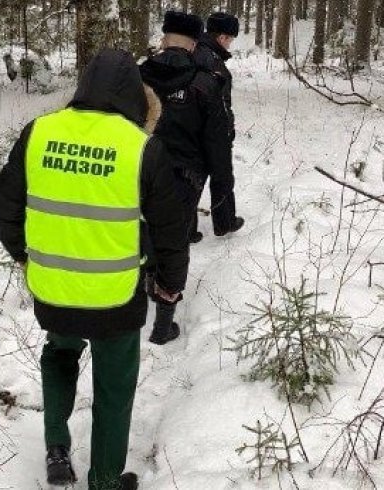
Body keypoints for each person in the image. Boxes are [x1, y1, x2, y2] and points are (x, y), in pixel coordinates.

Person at [0, 48, 189, 490]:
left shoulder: (39, 132)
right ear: (134, 96)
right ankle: (103, 481)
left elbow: (2, 207)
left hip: (54, 291)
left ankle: (57, 447)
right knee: (114, 390)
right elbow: (172, 229)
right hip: (115, 299)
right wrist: (171, 284)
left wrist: (25, 256)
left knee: (59, 354)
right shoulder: (141, 148)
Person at [138, 11, 231, 345]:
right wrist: (222, 186)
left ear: (164, 39)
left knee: (143, 226)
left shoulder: (137, 77)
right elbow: (218, 140)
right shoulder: (206, 83)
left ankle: (146, 283)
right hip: (184, 176)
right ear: (194, 44)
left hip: (138, 169)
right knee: (175, 240)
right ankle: (163, 323)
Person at [194, 11, 244, 238]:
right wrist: (226, 128)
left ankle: (186, 228)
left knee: (193, 176)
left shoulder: (198, 52)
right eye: (230, 38)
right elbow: (219, 100)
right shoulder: (211, 60)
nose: (230, 43)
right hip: (212, 127)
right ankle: (225, 222)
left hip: (195, 126)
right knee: (222, 174)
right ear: (222, 37)